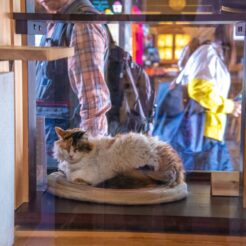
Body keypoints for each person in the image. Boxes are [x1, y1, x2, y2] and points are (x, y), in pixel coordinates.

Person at [36, 0, 111, 166]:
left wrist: (91, 158)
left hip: (72, 151)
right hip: (56, 143)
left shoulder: (81, 22)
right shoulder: (57, 21)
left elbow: (94, 98)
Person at [174, 24, 241, 171]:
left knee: (217, 180)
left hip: (208, 132)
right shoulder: (207, 52)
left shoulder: (211, 53)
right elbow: (199, 91)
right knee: (207, 181)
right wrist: (229, 106)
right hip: (204, 132)